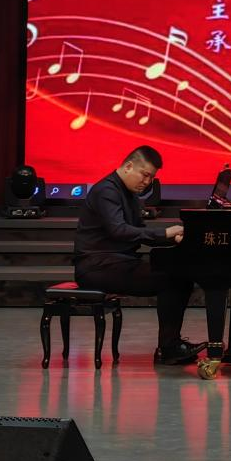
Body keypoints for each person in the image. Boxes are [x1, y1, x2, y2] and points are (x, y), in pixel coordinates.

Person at [73, 145, 204, 365]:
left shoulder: (130, 194)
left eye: (151, 177)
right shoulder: (106, 191)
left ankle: (169, 346)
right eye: (145, 175)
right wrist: (165, 233)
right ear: (129, 166)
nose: (147, 182)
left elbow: (139, 233)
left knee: (179, 275)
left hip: (118, 262)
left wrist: (173, 238)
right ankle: (168, 348)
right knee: (172, 277)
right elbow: (119, 230)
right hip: (96, 266)